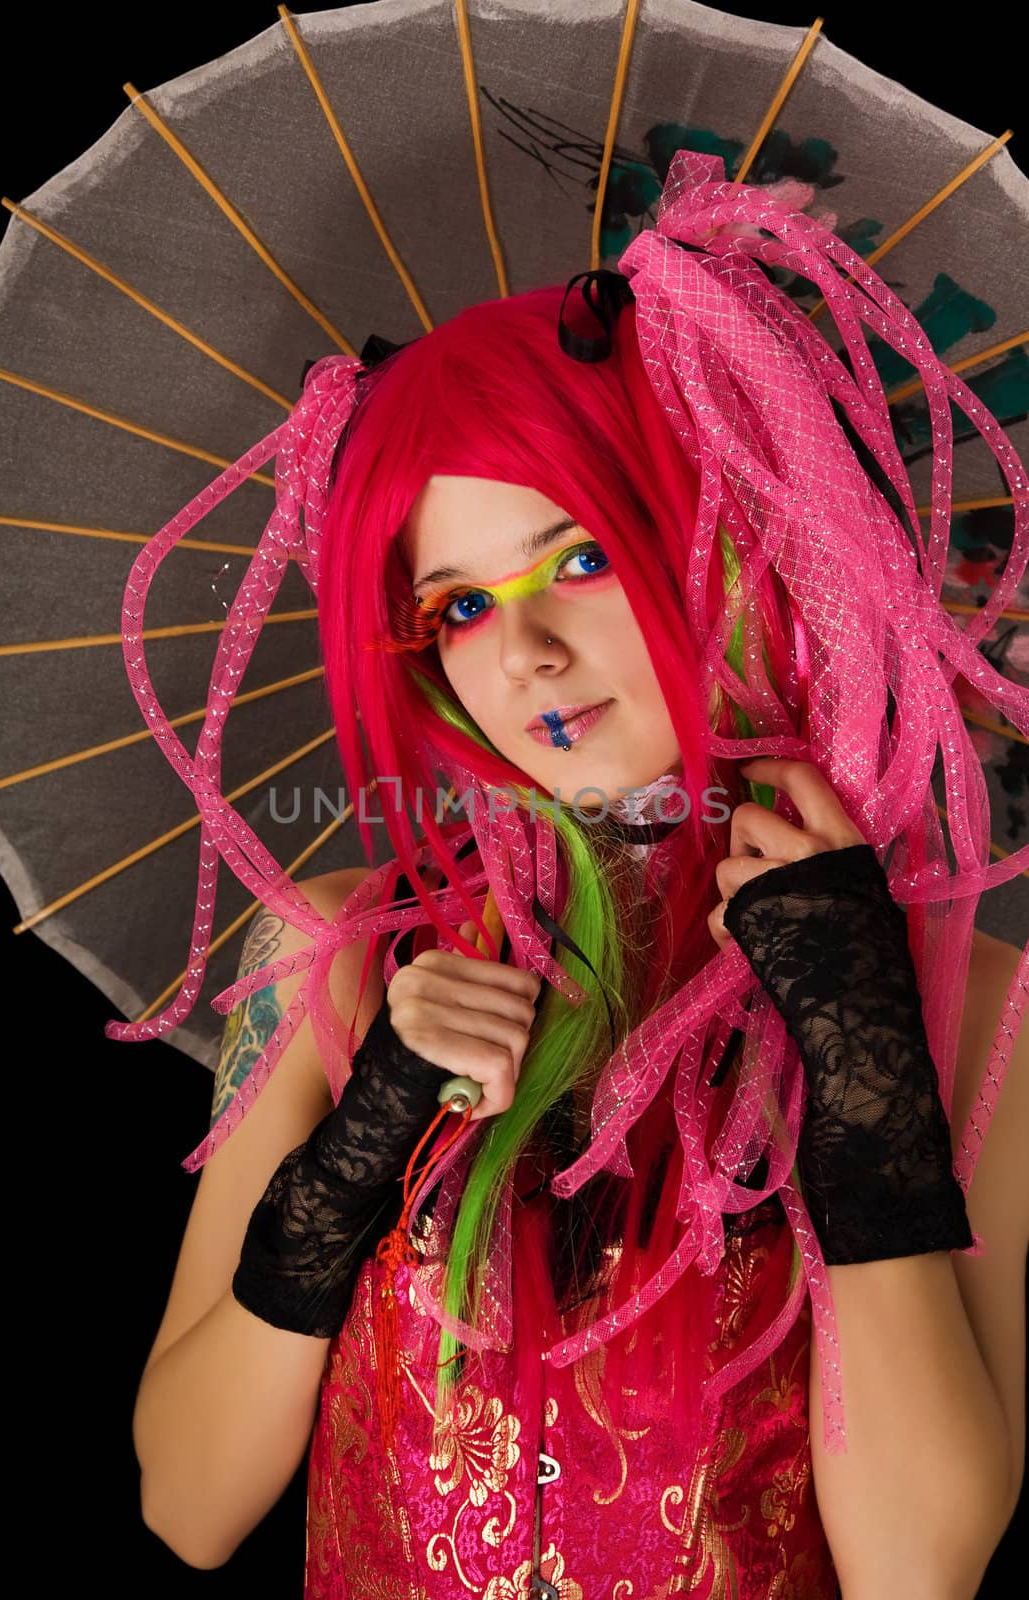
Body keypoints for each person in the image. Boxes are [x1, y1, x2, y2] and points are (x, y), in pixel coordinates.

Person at [126, 152, 1026, 1597]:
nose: (524, 655)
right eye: (461, 605)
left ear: (722, 540)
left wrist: (855, 1044)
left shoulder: (956, 994)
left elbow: (921, 1566)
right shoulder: (336, 961)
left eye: (583, 558)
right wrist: (365, 1139)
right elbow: (187, 1499)